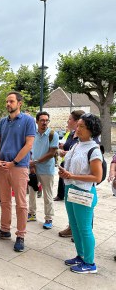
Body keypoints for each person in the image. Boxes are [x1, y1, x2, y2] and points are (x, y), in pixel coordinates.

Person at [0, 91, 36, 252]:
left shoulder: (29, 121)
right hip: (2, 166)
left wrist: (13, 162)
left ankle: (21, 235)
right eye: (7, 101)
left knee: (21, 203)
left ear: (19, 103)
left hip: (19, 167)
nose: (8, 104)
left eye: (11, 101)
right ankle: (4, 229)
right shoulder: (2, 121)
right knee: (4, 201)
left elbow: (29, 145)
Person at [59, 113, 103, 274]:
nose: (77, 128)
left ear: (91, 129)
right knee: (75, 226)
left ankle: (90, 263)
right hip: (71, 189)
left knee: (84, 228)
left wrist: (72, 176)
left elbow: (97, 177)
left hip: (84, 192)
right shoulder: (76, 145)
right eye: (78, 125)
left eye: (82, 126)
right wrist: (65, 173)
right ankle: (81, 255)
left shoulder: (94, 149)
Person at [27, 111, 59, 229]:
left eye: (46, 120)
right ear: (37, 121)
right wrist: (31, 164)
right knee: (31, 192)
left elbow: (52, 153)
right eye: (42, 120)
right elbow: (29, 149)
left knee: (48, 195)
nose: (45, 122)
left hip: (47, 169)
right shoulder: (32, 133)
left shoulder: (52, 134)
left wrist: (35, 162)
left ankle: (49, 218)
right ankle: (31, 213)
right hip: (33, 169)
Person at [56, 110, 85, 238]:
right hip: (67, 174)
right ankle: (72, 227)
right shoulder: (71, 134)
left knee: (83, 206)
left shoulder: (85, 136)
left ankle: (81, 231)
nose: (68, 121)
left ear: (77, 121)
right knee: (71, 203)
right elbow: (68, 148)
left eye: (69, 119)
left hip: (79, 176)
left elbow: (83, 153)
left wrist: (66, 153)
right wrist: (61, 150)